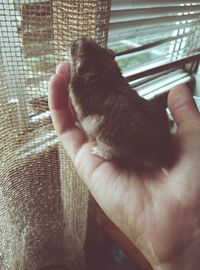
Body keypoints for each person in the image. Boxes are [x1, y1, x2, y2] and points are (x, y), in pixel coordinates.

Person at [48, 62, 200, 270]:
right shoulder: (108, 85)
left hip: (133, 146)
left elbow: (88, 115)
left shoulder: (88, 92)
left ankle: (112, 150)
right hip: (151, 146)